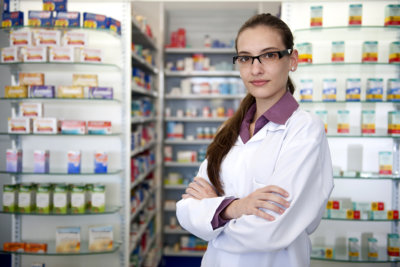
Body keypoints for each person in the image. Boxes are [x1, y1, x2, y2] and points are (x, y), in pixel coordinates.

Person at [176, 13, 334, 267]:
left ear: (292, 60)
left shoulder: (305, 129)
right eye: (245, 58)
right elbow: (185, 210)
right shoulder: (228, 130)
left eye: (269, 55)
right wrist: (235, 208)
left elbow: (270, 232)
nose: (255, 69)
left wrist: (213, 213)